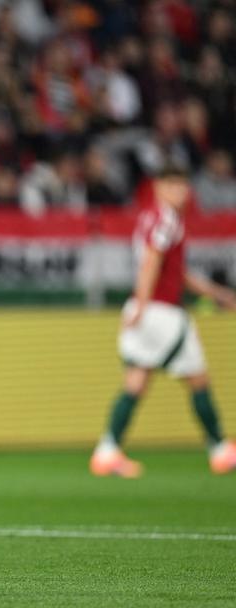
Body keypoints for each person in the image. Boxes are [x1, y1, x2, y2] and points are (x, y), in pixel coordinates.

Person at [90, 166, 236, 478]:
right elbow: (153, 259)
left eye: (183, 185)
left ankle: (107, 450)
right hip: (162, 312)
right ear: (158, 187)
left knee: (136, 382)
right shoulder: (167, 219)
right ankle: (221, 449)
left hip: (144, 307)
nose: (180, 192)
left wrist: (217, 294)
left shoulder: (148, 217)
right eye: (173, 185)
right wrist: (143, 304)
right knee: (198, 380)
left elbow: (174, 271)